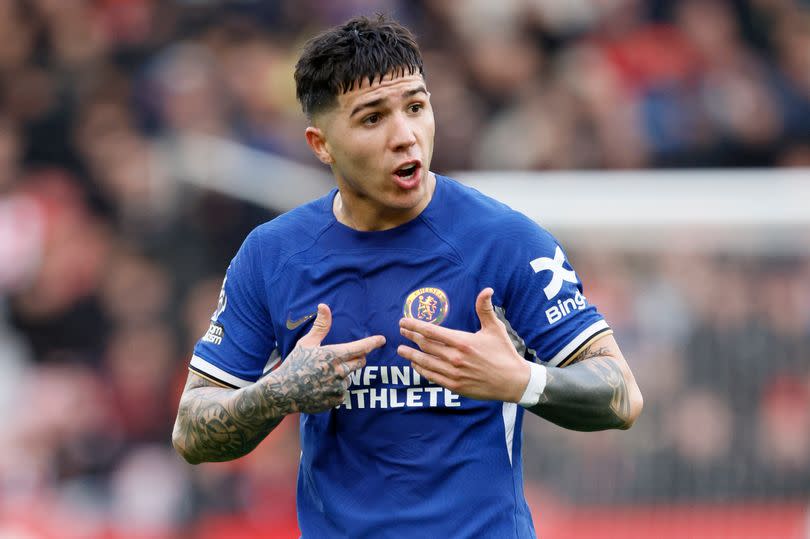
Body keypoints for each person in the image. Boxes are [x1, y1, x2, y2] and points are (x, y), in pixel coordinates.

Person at [172, 14, 643, 538]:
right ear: (320, 144)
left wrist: (521, 380)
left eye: (416, 107)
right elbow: (191, 429)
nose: (405, 136)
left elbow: (621, 393)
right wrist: (279, 392)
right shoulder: (272, 256)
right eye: (372, 119)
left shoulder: (505, 241)